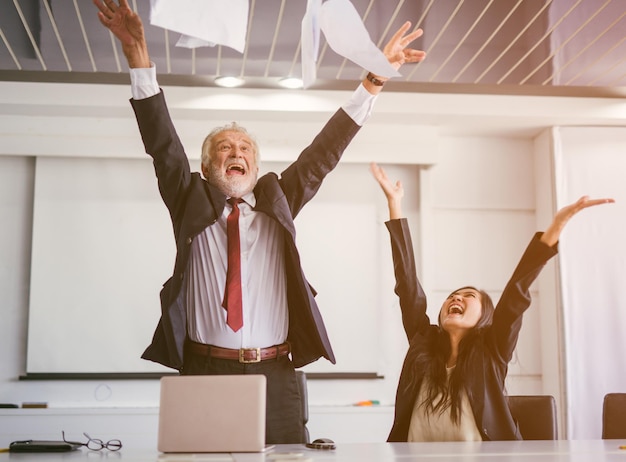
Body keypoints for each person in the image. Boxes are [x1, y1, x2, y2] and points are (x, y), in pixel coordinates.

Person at [93, 0, 426, 444]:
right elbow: (161, 142)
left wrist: (375, 78)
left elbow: (324, 153)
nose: (236, 153)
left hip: (274, 372)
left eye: (245, 148)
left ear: (255, 164)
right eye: (224, 148)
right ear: (208, 166)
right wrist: (137, 55)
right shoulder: (188, 198)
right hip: (204, 367)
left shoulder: (279, 200)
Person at [369, 162, 614, 442]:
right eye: (452, 296)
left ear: (485, 317)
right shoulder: (423, 342)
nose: (456, 298)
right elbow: (407, 285)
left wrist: (556, 226)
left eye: (469, 296)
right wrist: (395, 205)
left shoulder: (492, 349)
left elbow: (515, 294)